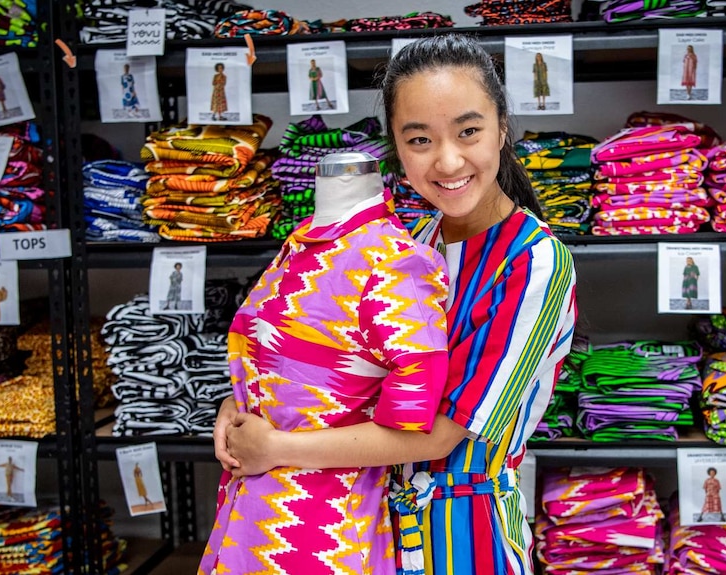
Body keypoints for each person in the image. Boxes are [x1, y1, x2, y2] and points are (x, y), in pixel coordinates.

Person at [214, 33, 578, 575]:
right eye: (420, 140)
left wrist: (276, 446)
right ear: (396, 146)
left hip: (466, 537)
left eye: (469, 131)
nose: (448, 160)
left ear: (503, 128)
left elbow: (443, 430)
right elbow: (336, 374)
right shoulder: (412, 245)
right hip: (371, 525)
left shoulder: (535, 262)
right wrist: (245, 405)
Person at [199, 152, 450, 575]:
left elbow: (411, 423)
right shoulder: (302, 245)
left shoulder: (395, 262)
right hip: (249, 509)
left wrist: (278, 446)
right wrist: (236, 403)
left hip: (322, 528)